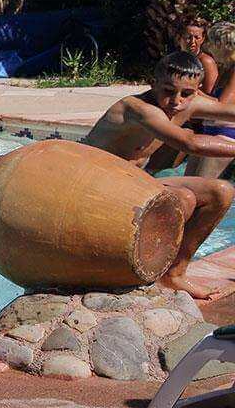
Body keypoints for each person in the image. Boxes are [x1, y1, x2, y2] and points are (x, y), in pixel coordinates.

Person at [81, 50, 235, 299]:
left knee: (222, 191)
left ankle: (174, 275)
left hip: (134, 184)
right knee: (182, 198)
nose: (176, 101)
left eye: (187, 93)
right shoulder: (138, 108)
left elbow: (226, 111)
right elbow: (190, 143)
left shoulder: (188, 102)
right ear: (153, 83)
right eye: (168, 90)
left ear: (197, 90)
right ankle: (135, 272)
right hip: (96, 189)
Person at [181, 21, 235, 180]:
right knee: (187, 183)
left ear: (221, 44)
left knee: (201, 187)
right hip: (210, 130)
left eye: (211, 42)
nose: (208, 47)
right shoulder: (226, 68)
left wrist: (193, 91)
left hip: (226, 134)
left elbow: (221, 106)